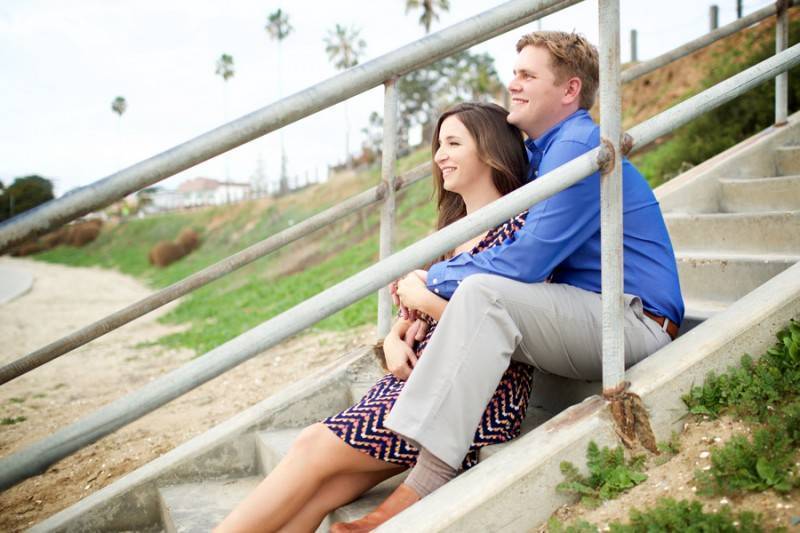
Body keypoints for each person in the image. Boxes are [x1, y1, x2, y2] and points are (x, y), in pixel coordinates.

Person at [334, 31, 685, 531]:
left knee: (483, 294)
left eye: (527, 74)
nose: (512, 83)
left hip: (633, 321)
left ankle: (424, 481)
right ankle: (419, 459)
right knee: (476, 291)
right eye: (514, 71)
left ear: (569, 90)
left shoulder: (579, 146)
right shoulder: (543, 153)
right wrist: (418, 303)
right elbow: (503, 251)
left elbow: (524, 261)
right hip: (583, 310)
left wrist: (433, 281)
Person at [215, 102, 535, 533]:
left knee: (312, 447)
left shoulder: (519, 227)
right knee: (322, 489)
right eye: (438, 144)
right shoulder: (453, 228)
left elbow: (497, 322)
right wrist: (392, 340)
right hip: (414, 381)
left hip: (472, 392)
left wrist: (423, 300)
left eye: (453, 143)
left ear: (492, 151)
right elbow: (414, 309)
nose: (439, 156)